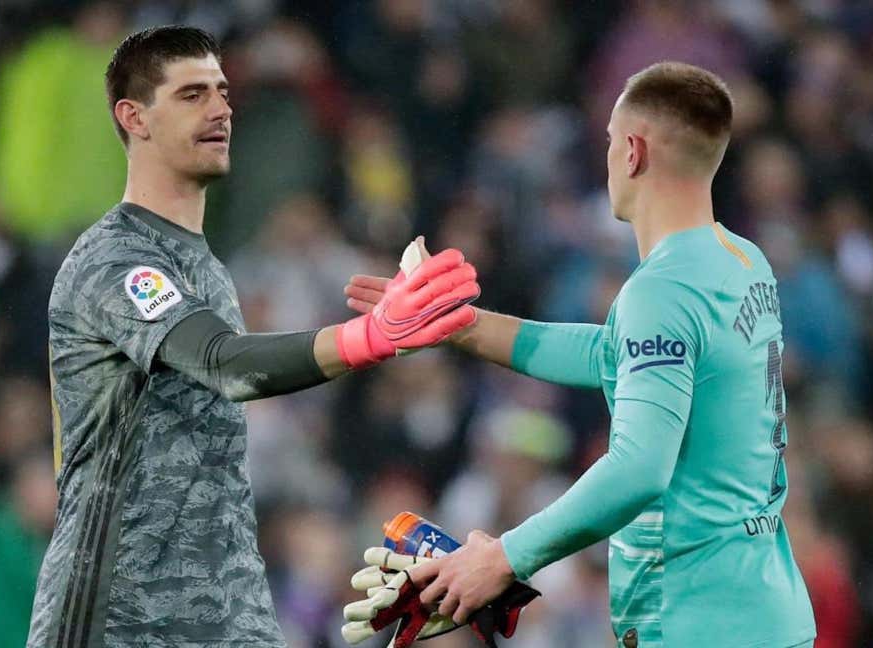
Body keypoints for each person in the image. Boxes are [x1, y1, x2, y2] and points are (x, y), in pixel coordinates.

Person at [27, 25, 481, 648]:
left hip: (226, 609)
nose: (220, 109)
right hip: (118, 615)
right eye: (191, 95)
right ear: (134, 118)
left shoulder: (208, 270)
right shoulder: (114, 261)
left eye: (222, 92)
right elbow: (224, 364)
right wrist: (370, 337)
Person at [344, 62, 816, 647]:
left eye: (611, 140)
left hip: (699, 623)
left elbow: (640, 467)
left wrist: (504, 559)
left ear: (633, 153)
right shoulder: (742, 261)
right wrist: (458, 326)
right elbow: (613, 354)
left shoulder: (661, 292)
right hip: (764, 610)